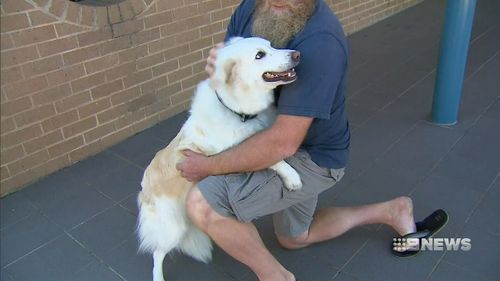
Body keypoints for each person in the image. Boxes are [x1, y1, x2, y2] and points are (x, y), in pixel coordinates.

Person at [176, 1, 417, 281]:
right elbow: (233, 73)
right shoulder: (251, 9)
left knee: (202, 203)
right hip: (273, 136)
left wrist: (208, 166)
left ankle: (276, 277)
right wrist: (220, 68)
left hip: (311, 156)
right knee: (293, 238)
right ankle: (392, 211)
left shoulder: (321, 42)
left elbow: (282, 144)